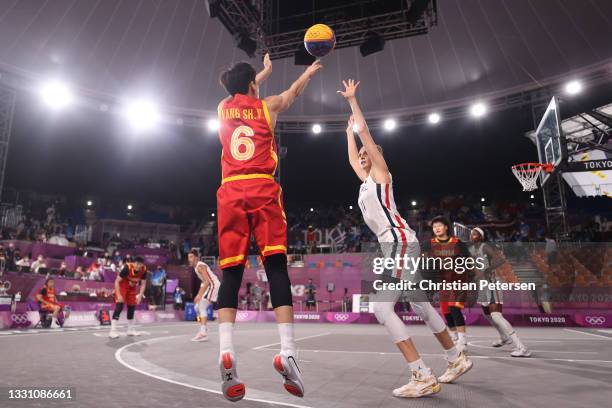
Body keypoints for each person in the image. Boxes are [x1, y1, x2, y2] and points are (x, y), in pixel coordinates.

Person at [340, 79, 472, 398]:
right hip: (397, 244)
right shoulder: (364, 183)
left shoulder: (381, 176)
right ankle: (456, 358)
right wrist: (347, 134)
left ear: (375, 157)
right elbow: (350, 159)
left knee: (382, 310)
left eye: (365, 154)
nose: (360, 156)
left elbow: (367, 136)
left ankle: (421, 374)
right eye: (359, 154)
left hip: (399, 242)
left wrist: (353, 103)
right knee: (421, 306)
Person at [215, 53, 321, 401]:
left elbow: (241, 90)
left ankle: (225, 352)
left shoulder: (221, 108)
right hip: (262, 187)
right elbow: (292, 93)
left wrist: (259, 74)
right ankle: (288, 350)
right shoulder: (267, 107)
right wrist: (307, 72)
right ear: (253, 85)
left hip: (230, 191)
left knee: (230, 273)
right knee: (275, 267)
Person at [470, 228, 531, 357]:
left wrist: (488, 270)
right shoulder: (471, 250)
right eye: (471, 233)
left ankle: (522, 347)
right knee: (487, 314)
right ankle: (504, 337)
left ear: (481, 236)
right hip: (482, 286)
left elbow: (500, 260)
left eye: (475, 233)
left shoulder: (485, 247)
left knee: (496, 316)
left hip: (492, 283)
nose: (472, 235)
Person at [423, 216, 471, 353]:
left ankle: (463, 342)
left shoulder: (458, 243)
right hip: (443, 282)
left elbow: (468, 261)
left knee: (454, 309)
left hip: (458, 281)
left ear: (446, 227)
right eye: (434, 227)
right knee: (446, 312)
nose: (436, 228)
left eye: (439, 225)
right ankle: (454, 338)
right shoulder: (429, 244)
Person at [109, 256, 147, 339]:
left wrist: (140, 296)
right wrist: (118, 295)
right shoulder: (127, 267)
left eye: (140, 264)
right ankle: (113, 331)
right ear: (133, 263)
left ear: (142, 265)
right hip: (122, 285)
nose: (138, 266)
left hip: (132, 288)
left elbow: (143, 284)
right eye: (136, 264)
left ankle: (130, 330)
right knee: (120, 305)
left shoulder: (144, 270)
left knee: (132, 307)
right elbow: (117, 281)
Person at [188, 250, 220, 342]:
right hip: (209, 286)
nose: (189, 259)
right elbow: (203, 282)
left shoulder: (200, 266)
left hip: (213, 285)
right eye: (188, 257)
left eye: (191, 257)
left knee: (201, 306)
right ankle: (204, 328)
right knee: (197, 307)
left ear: (196, 258)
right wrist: (199, 295)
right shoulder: (195, 268)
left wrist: (199, 295)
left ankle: (203, 333)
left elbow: (207, 281)